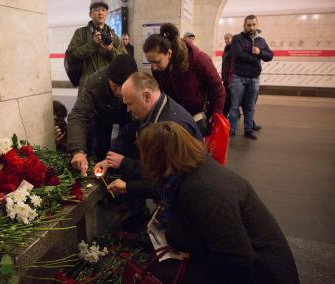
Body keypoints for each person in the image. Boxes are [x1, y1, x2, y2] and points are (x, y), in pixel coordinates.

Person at [133, 121, 300, 284]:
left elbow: (237, 257)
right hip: (250, 261)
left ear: (158, 157)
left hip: (261, 274)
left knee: (164, 270)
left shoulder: (202, 190)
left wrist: (194, 257)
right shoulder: (193, 171)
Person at [95, 72, 202, 200]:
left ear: (146, 96)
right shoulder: (150, 109)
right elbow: (128, 134)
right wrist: (110, 159)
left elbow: (164, 183)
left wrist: (128, 185)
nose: (128, 109)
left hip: (185, 195)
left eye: (130, 104)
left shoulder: (170, 128)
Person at [143, 23, 225, 137]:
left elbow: (217, 88)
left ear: (169, 53)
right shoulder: (158, 69)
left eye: (156, 62)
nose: (153, 67)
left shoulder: (199, 60)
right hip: (173, 119)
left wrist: (215, 114)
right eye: (150, 62)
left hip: (197, 119)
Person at [68, 54, 138, 176]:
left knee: (128, 149)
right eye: (114, 86)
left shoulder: (139, 84)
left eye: (122, 88)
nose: (117, 92)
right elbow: (79, 115)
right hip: (103, 117)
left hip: (130, 119)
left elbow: (135, 126)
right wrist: (78, 150)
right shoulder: (95, 82)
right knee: (100, 148)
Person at [66, 0, 127, 94]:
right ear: (90, 14)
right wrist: (92, 44)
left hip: (108, 84)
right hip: (87, 84)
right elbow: (72, 55)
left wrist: (111, 50)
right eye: (96, 10)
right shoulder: (80, 33)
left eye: (103, 10)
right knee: (86, 108)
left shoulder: (113, 36)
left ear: (107, 14)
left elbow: (124, 59)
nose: (100, 13)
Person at [229, 15, 273, 140]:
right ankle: (232, 129)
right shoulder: (237, 39)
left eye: (254, 24)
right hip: (239, 78)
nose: (251, 27)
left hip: (254, 78)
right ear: (244, 25)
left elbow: (270, 56)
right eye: (249, 25)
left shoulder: (261, 41)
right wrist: (255, 58)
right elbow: (238, 54)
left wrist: (260, 52)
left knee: (250, 106)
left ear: (257, 25)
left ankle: (248, 130)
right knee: (234, 106)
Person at [222, 33, 233, 117]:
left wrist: (230, 79)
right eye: (225, 39)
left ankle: (224, 115)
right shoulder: (226, 48)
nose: (226, 40)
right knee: (227, 97)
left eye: (228, 38)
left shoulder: (233, 49)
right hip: (226, 78)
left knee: (228, 98)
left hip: (231, 79)